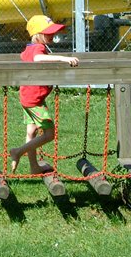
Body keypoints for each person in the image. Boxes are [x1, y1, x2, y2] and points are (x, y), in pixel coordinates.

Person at [8, 15, 78, 173]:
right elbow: (38, 59)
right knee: (49, 134)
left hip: (28, 96)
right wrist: (63, 59)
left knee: (31, 132)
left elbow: (25, 58)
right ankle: (17, 152)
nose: (52, 35)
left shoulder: (28, 48)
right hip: (35, 100)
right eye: (48, 33)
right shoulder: (38, 48)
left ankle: (34, 167)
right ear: (38, 35)